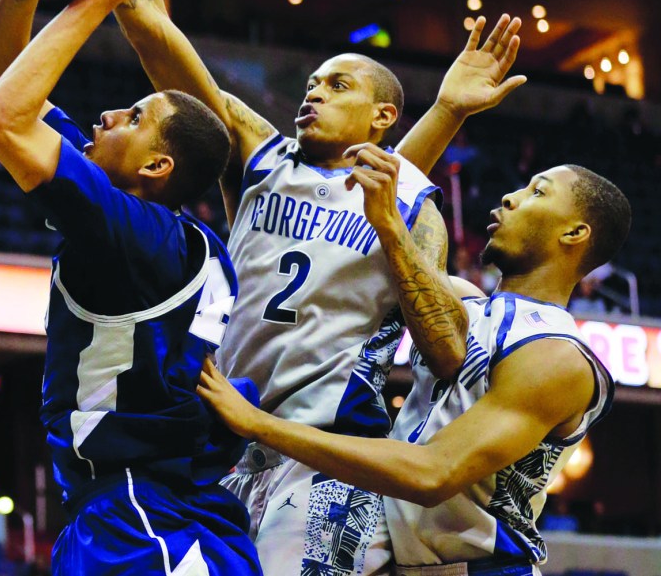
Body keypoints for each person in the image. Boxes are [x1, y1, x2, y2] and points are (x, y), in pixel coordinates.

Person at [115, 0, 526, 574]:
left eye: (338, 85)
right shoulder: (264, 158)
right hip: (221, 440)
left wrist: (393, 222)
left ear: (383, 115)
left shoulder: (413, 206)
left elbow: (446, 350)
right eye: (311, 85)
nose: (314, 94)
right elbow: (189, 93)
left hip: (326, 458)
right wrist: (132, 5)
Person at [0, 0, 262, 576]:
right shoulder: (154, 231)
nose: (106, 114)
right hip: (150, 512)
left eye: (132, 115)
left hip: (150, 522)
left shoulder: (132, 231)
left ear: (159, 165)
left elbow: (0, 115)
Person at [197, 158, 631, 576]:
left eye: (538, 191)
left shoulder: (557, 356)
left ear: (574, 232)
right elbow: (375, 215)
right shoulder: (461, 304)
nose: (510, 197)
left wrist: (258, 423)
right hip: (400, 559)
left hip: (483, 569)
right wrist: (448, 110)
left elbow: (432, 472)